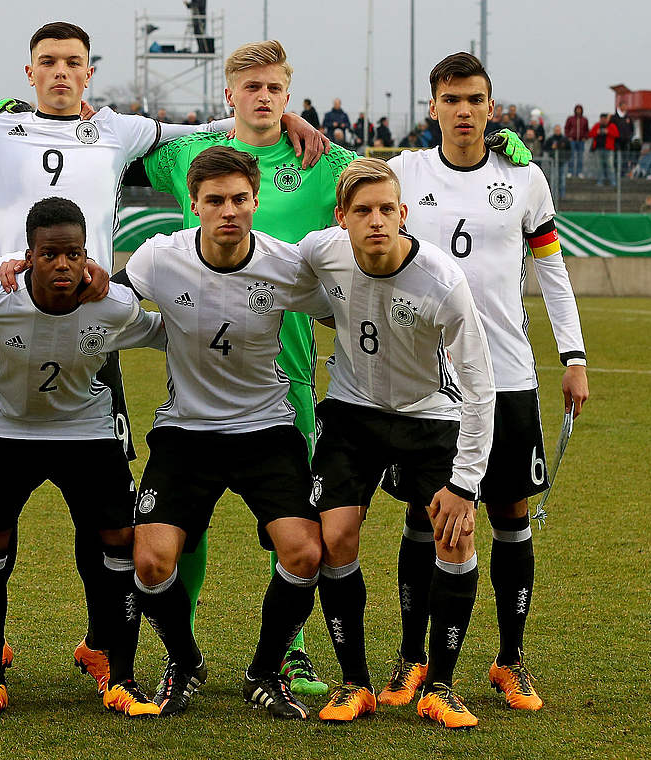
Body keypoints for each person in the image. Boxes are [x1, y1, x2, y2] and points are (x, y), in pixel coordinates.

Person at [133, 40, 352, 699]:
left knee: (296, 530)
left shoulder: (326, 160)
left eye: (275, 88)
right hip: (199, 375)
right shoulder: (188, 155)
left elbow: (388, 194)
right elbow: (108, 147)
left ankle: (293, 653)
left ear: (290, 95)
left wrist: (498, 146)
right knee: (185, 527)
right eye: (251, 87)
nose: (263, 97)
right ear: (229, 94)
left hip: (288, 375)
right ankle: (184, 648)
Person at [385, 51, 587, 714]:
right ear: (433, 107)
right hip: (426, 379)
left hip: (507, 376)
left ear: (491, 107)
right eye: (452, 99)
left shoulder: (524, 178)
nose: (464, 110)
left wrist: (574, 356)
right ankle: (412, 660)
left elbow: (551, 270)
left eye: (475, 99)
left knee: (510, 514)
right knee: (424, 515)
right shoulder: (405, 172)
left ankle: (510, 660)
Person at [119, 146, 331, 719]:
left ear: (256, 201)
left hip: (267, 429)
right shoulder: (160, 256)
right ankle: (184, 662)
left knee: (305, 553)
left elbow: (347, 308)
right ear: (194, 205)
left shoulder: (286, 264)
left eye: (239, 199)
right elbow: (107, 298)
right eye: (215, 200)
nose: (228, 210)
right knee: (151, 562)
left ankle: (265, 671)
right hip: (186, 431)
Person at [299, 158, 495, 729]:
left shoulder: (441, 281)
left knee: (455, 537)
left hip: (427, 415)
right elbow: (268, 265)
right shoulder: (321, 250)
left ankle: (440, 686)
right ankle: (354, 684)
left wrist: (465, 484)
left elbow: (480, 387)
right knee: (335, 537)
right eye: (363, 211)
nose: (377, 221)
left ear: (404, 213)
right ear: (341, 218)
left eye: (387, 209)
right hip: (352, 412)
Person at [0, 198, 163, 718]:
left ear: (88, 255)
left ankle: (122, 675)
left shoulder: (112, 305)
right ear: (28, 257)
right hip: (8, 430)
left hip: (86, 431)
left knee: (119, 538)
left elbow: (167, 331)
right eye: (49, 254)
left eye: (74, 254)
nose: (63, 265)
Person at [589, 112, 619, 186]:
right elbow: (590, 134)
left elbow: (616, 134)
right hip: (598, 149)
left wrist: (608, 132)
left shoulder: (611, 126)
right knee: (599, 167)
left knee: (610, 166)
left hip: (609, 149)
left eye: (604, 119)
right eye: (601, 119)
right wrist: (597, 132)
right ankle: (600, 181)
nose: (603, 120)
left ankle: (613, 181)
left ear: (607, 119)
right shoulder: (597, 125)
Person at [565, 105, 589, 178]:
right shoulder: (570, 119)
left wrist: (585, 137)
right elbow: (566, 128)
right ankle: (570, 171)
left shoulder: (584, 120)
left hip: (581, 141)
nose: (578, 111)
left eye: (580, 109)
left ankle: (579, 172)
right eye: (577, 109)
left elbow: (587, 130)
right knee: (571, 157)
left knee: (580, 157)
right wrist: (568, 137)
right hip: (572, 140)